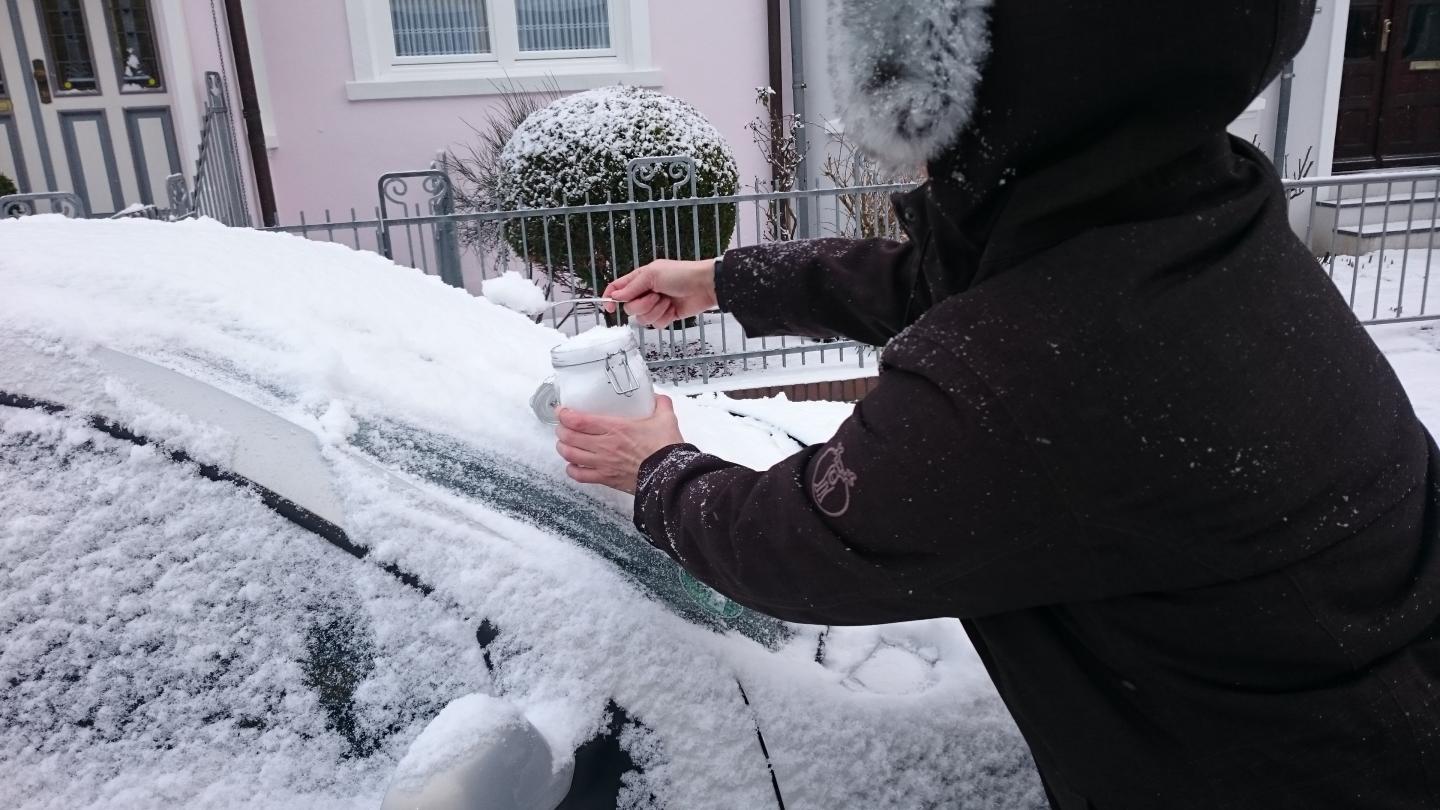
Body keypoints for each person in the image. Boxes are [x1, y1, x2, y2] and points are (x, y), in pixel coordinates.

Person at [553, 1, 1440, 807]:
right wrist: (725, 280)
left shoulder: (1028, 380)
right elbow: (965, 288)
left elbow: (795, 546)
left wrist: (656, 469)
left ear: (1004, 91)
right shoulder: (1190, 210)